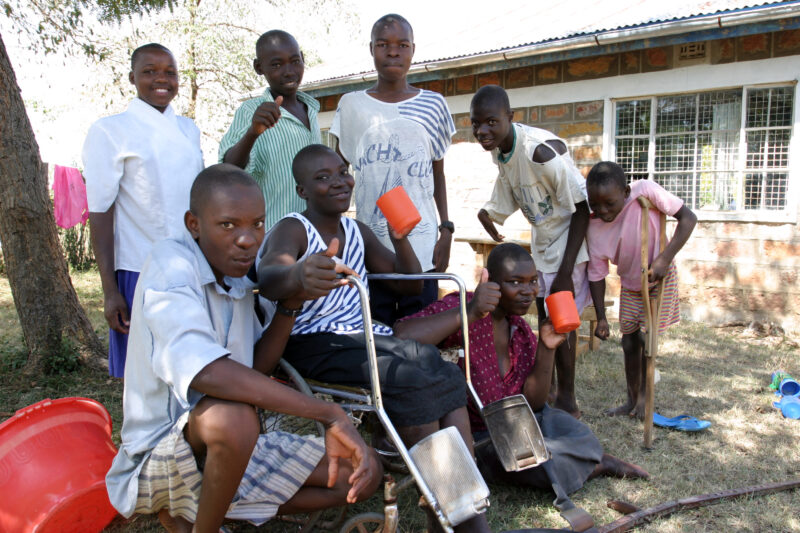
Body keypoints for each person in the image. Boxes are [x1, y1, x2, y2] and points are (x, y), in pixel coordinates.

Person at [105, 164, 381, 533]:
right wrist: (328, 412)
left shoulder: (234, 272)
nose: (248, 240)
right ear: (194, 224)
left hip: (233, 450)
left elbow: (257, 369)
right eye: (228, 225)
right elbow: (209, 373)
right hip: (161, 457)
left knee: (361, 473)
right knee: (232, 417)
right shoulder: (171, 266)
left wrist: (292, 300)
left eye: (257, 224)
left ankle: (204, 509)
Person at [258, 144, 491, 533]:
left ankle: (461, 504)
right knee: (413, 375)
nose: (339, 181)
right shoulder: (293, 228)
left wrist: (401, 237)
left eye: (342, 171)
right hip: (316, 340)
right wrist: (298, 275)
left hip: (366, 336)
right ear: (302, 191)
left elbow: (411, 287)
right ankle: (451, 508)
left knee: (443, 371)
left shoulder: (357, 230)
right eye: (322, 177)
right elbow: (267, 278)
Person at [394, 243, 648, 524]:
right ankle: (595, 464)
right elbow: (402, 335)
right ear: (489, 280)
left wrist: (547, 347)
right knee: (538, 463)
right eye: (515, 282)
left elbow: (535, 403)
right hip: (480, 438)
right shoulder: (461, 304)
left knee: (573, 430)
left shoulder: (522, 331)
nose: (528, 291)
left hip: (519, 423)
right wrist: (471, 311)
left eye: (532, 281)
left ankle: (591, 458)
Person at [83, 43, 204, 378]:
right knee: (145, 373)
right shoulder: (111, 130)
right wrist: (110, 290)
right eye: (149, 71)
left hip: (191, 263)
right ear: (132, 77)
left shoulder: (188, 130)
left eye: (170, 72)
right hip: (140, 268)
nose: (161, 79)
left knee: (189, 366)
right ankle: (144, 431)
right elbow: (101, 211)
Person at [329, 13, 456, 326]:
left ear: (413, 50)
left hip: (423, 246)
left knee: (422, 337)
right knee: (376, 337)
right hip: (372, 249)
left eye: (402, 45)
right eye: (383, 44)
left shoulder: (433, 105)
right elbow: (336, 175)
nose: (393, 52)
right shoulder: (352, 105)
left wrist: (447, 230)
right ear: (371, 49)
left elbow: (437, 174)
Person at [472, 84, 590, 418]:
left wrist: (567, 270)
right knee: (544, 316)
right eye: (476, 123)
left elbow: (582, 208)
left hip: (570, 242)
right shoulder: (500, 150)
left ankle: (567, 399)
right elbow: (510, 186)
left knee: (562, 320)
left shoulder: (538, 152)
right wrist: (489, 214)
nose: (482, 131)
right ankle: (547, 388)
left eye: (491, 122)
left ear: (510, 117)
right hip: (544, 241)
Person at [585, 161, 697, 419]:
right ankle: (631, 399)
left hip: (659, 278)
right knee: (629, 342)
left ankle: (646, 399)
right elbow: (597, 275)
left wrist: (664, 259)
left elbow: (688, 218)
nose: (602, 211)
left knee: (648, 340)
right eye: (594, 205)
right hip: (631, 285)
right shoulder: (594, 227)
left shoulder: (645, 190)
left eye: (609, 204)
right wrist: (601, 317)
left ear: (625, 192)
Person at [219, 30, 320, 229]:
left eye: (295, 61)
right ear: (259, 67)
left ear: (303, 59)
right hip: (274, 235)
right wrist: (252, 133)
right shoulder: (252, 111)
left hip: (313, 232)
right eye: (276, 64)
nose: (289, 71)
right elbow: (229, 169)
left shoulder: (312, 109)